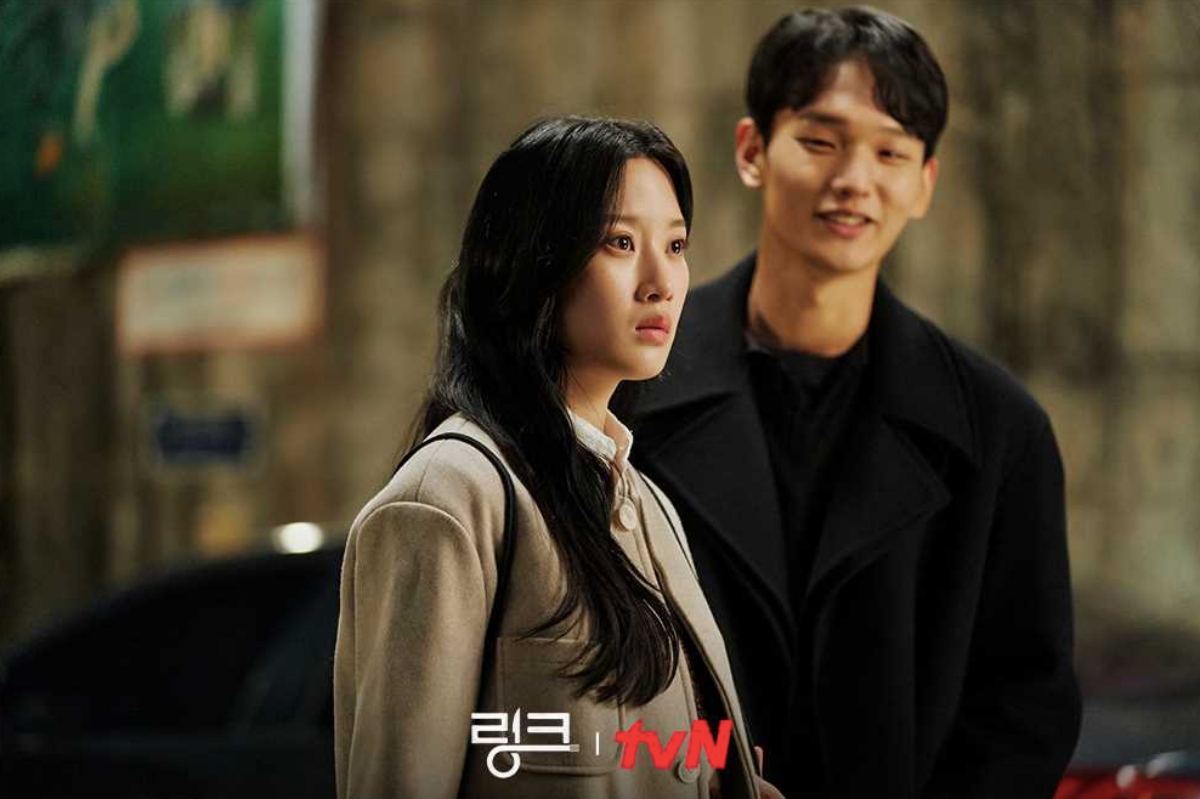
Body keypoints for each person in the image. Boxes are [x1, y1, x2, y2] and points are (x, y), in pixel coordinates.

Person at [629, 8, 1082, 799]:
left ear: (925, 182)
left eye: (890, 152)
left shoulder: (999, 429)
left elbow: (1024, 705)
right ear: (752, 150)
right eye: (820, 141)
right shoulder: (626, 387)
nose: (854, 180)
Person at [333, 116, 778, 799]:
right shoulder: (450, 498)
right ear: (533, 263)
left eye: (676, 244)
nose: (661, 281)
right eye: (620, 242)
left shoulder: (648, 505)